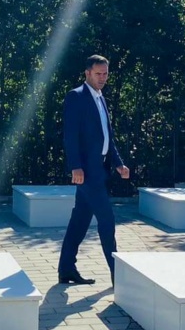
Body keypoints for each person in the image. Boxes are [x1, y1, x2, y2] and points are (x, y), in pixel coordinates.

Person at [56, 54, 130, 285]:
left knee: (79, 221)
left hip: (100, 169)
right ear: (87, 73)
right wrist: (75, 167)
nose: (103, 78)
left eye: (105, 74)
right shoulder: (76, 96)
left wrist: (118, 163)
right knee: (107, 219)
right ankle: (119, 277)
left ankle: (66, 269)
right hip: (86, 172)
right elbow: (70, 136)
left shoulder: (101, 98)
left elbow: (107, 137)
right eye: (98, 74)